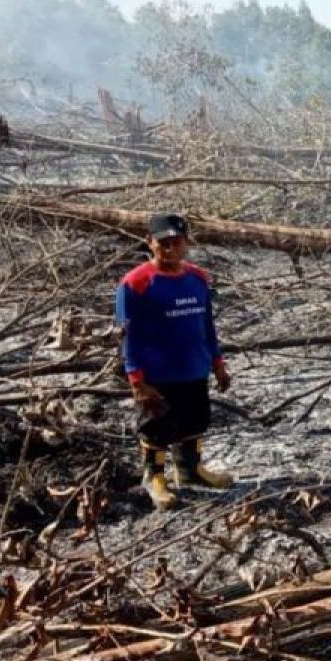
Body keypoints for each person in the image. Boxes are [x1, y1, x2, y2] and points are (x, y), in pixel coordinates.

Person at [116, 213, 233, 509]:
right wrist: (136, 379)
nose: (170, 249)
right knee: (156, 426)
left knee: (194, 420)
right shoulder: (134, 284)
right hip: (157, 374)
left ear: (186, 243)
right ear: (150, 243)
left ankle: (189, 470)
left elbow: (207, 324)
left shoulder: (198, 278)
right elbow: (125, 333)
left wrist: (217, 362)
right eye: (163, 243)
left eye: (176, 242)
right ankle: (154, 477)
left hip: (194, 366)